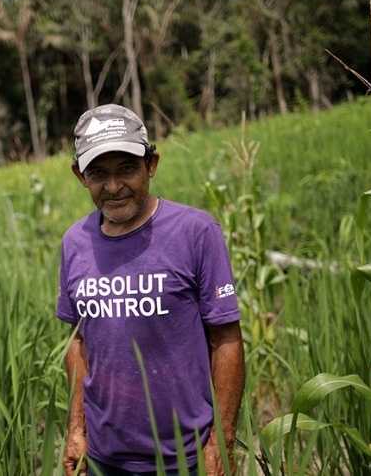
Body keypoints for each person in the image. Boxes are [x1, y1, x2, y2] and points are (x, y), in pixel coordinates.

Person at [57, 104, 246, 476]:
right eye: (98, 173)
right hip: (103, 456)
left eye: (126, 168)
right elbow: (77, 342)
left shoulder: (195, 232)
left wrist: (220, 441)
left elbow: (226, 338)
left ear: (151, 164)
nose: (113, 187)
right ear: (80, 175)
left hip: (186, 457)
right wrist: (76, 429)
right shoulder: (74, 243)